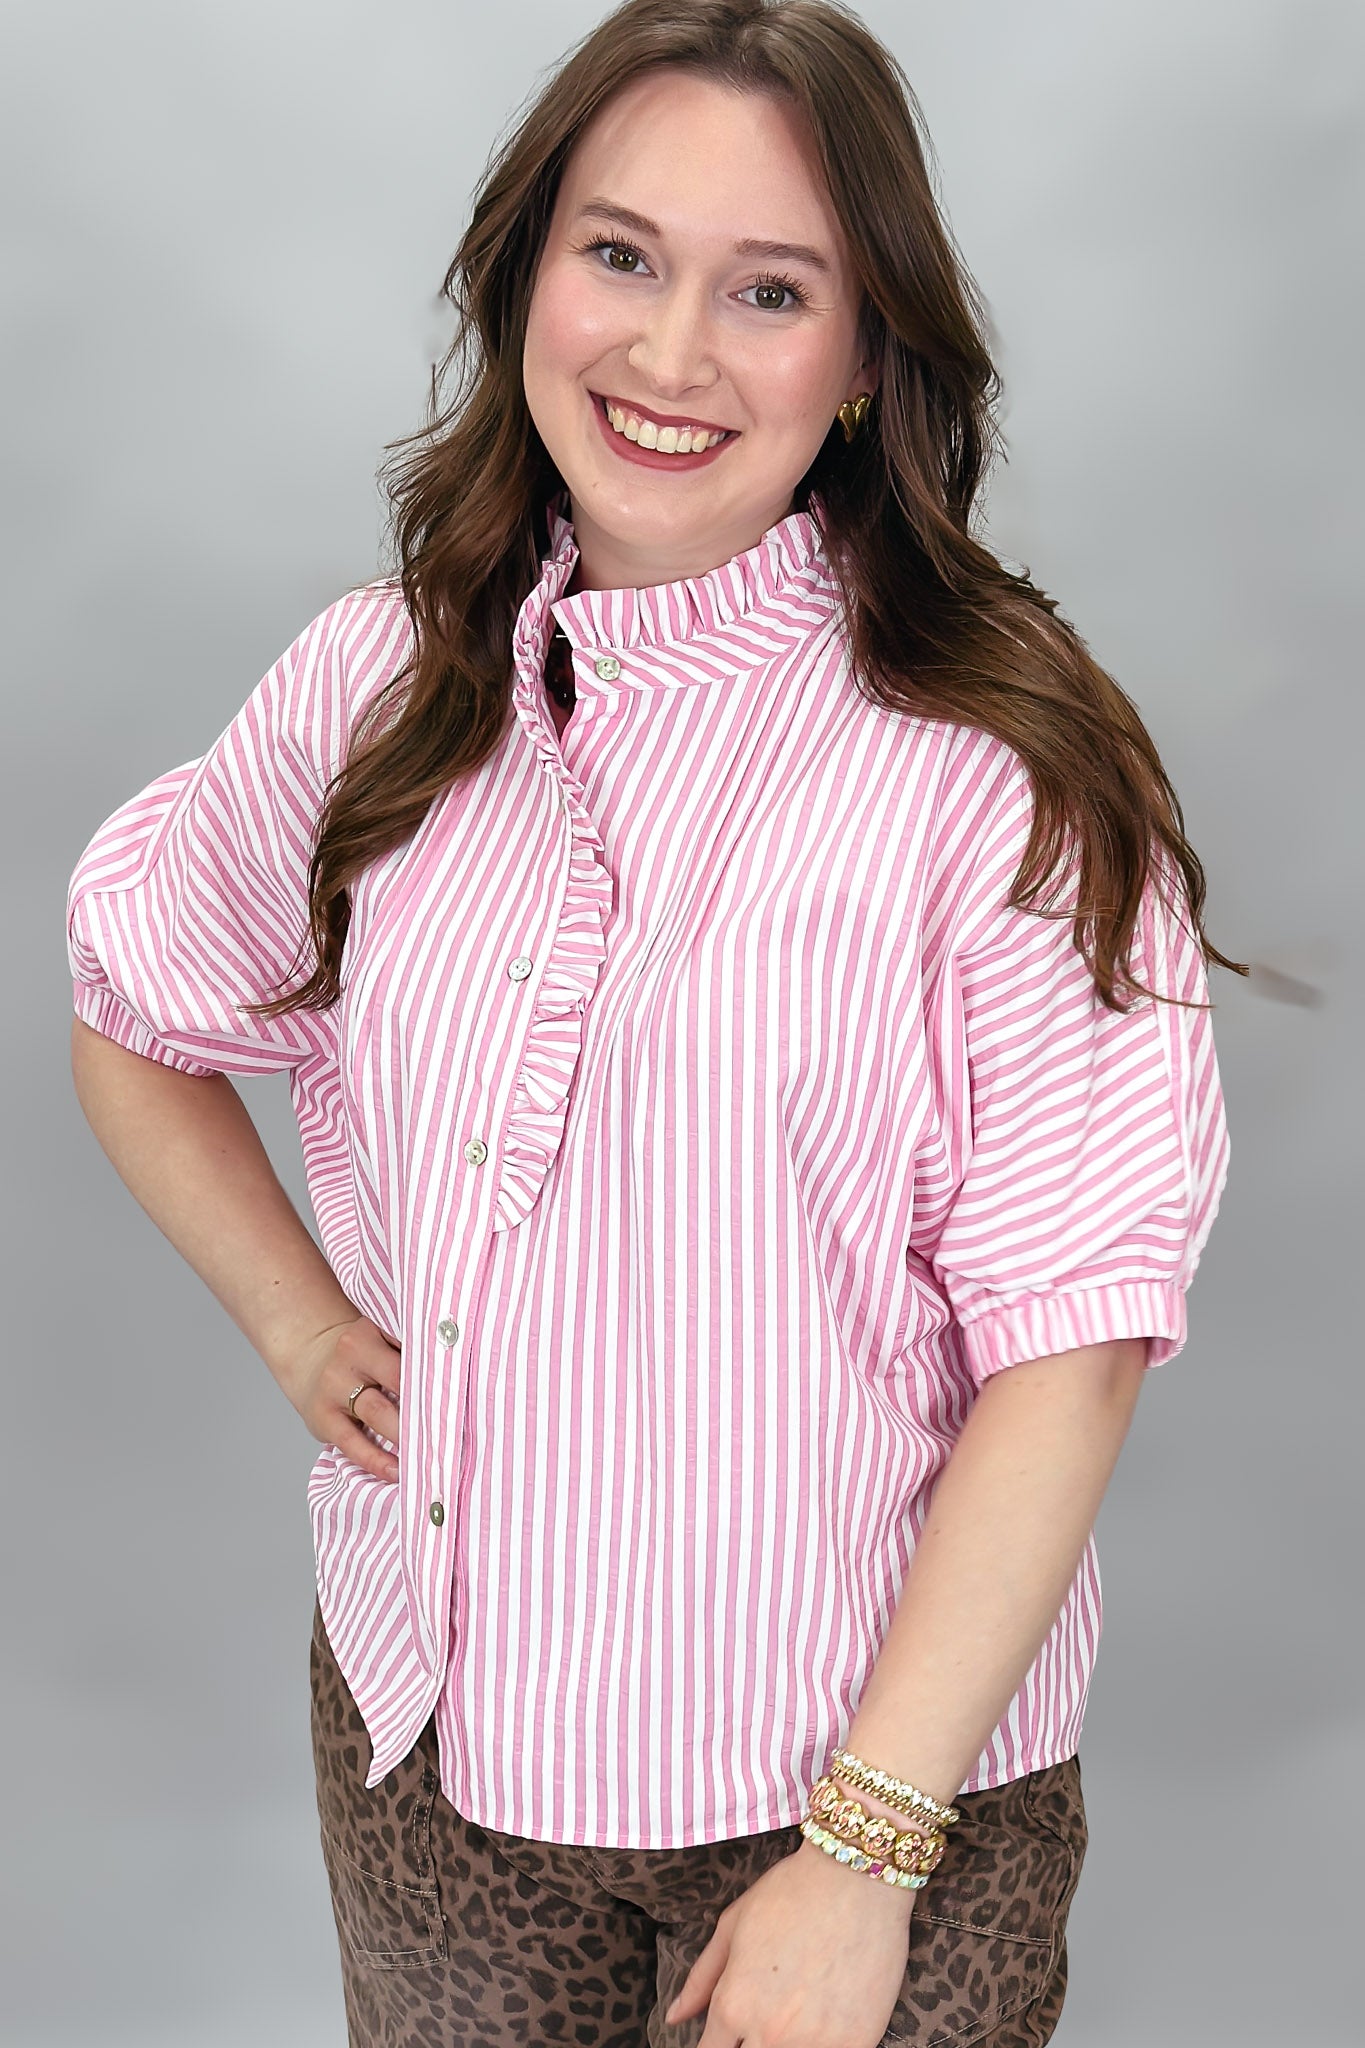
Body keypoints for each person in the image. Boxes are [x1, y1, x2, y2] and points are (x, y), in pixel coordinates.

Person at [65, 3, 1238, 2043]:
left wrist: (861, 1856)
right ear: (523, 271)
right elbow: (133, 1003)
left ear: (865, 356)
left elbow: (1071, 1348)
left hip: (862, 1795)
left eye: (767, 290)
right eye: (618, 254)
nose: (669, 352)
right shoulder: (373, 685)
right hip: (440, 1763)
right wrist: (296, 1321)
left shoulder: (1004, 764)